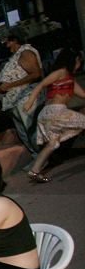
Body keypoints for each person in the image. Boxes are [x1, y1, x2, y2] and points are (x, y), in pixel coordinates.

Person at [24, 48, 85, 183]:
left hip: (47, 114)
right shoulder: (60, 72)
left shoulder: (70, 80)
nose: (79, 64)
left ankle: (34, 171)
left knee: (53, 144)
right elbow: (41, 84)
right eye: (78, 61)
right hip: (55, 112)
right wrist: (29, 101)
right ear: (73, 61)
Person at [0, 28, 42, 153]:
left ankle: (42, 157)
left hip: (25, 98)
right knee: (23, 131)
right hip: (14, 101)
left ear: (14, 39)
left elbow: (35, 73)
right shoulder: (15, 56)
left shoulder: (25, 52)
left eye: (5, 40)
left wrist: (10, 85)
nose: (3, 43)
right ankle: (35, 156)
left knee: (31, 129)